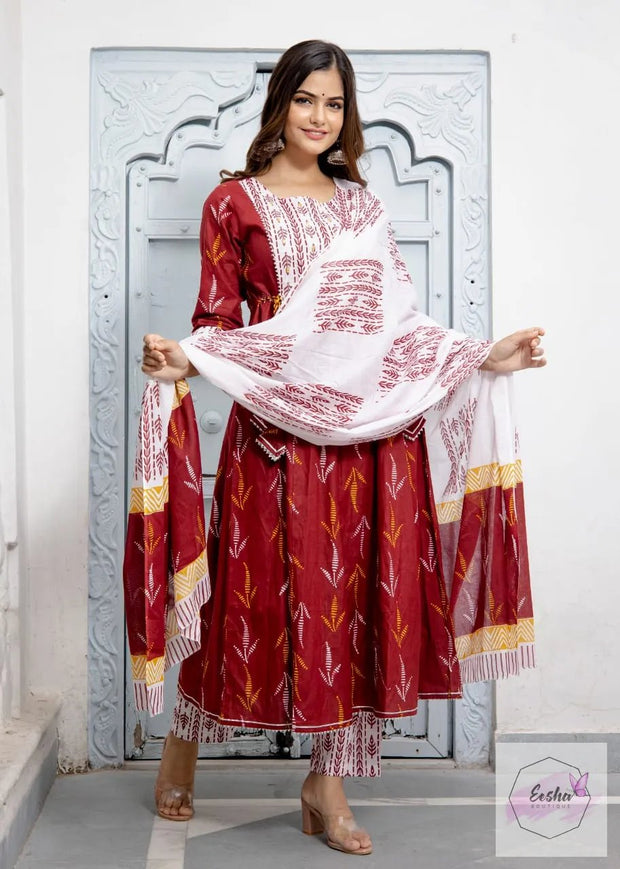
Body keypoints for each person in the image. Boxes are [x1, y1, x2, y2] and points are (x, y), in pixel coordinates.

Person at [131, 39, 545, 856]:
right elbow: (219, 326)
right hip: (276, 438)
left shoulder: (362, 208)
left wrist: (478, 354)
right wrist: (184, 356)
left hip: (370, 441)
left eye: (335, 104)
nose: (320, 118)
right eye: (305, 100)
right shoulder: (234, 204)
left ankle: (330, 781)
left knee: (356, 603)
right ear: (280, 103)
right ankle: (183, 742)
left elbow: (394, 327)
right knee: (237, 601)